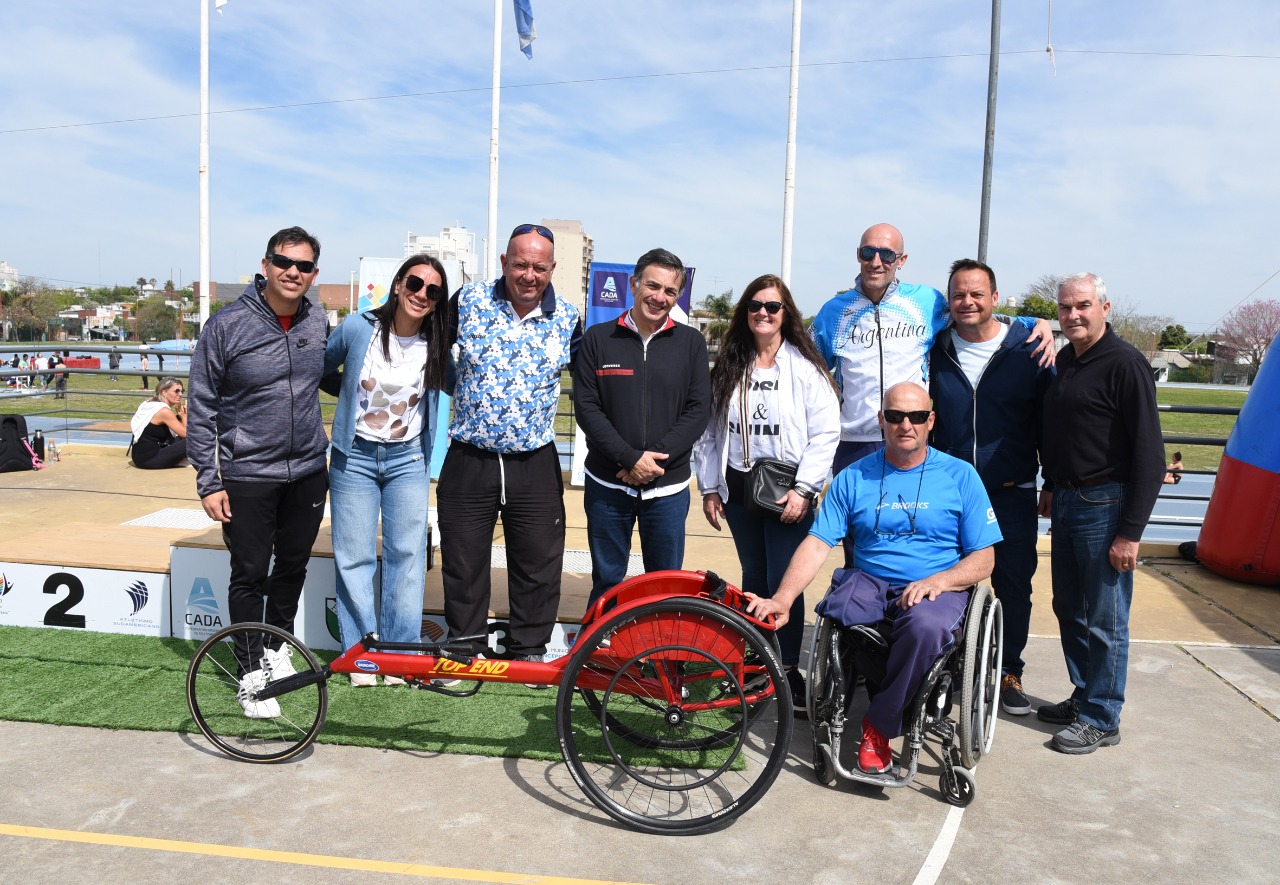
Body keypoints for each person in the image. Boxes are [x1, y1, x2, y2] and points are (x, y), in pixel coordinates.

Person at [747, 382, 1001, 774]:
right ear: (881, 420)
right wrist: (782, 599)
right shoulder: (852, 478)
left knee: (925, 628)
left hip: (936, 587)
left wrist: (944, 581)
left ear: (930, 421)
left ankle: (878, 728)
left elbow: (984, 558)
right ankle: (869, 700)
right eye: (896, 416)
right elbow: (817, 544)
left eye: (916, 416)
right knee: (842, 615)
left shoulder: (960, 476)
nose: (906, 425)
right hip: (869, 582)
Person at [808, 224, 1051, 565]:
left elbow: (977, 312)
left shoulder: (926, 301)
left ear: (901, 260)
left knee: (917, 542)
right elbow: (808, 370)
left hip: (912, 437)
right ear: (858, 255)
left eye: (887, 254)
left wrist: (1035, 321)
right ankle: (861, 612)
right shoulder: (833, 312)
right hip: (855, 443)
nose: (876, 261)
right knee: (860, 549)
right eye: (868, 252)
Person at [187, 226, 330, 719]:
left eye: (304, 266)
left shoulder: (318, 319)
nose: (293, 272)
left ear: (314, 274)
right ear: (266, 264)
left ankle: (275, 650)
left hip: (309, 469)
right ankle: (249, 675)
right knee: (249, 573)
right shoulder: (226, 326)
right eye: (284, 262)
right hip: (247, 474)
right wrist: (210, 480)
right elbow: (201, 407)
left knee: (291, 567)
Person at [437, 223, 582, 672]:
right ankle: (465, 648)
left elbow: (592, 386)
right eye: (520, 264)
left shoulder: (569, 318)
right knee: (463, 557)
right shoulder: (468, 302)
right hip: (469, 456)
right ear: (504, 262)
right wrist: (458, 388)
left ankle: (529, 651)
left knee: (538, 560)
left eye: (539, 267)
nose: (529, 274)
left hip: (534, 460)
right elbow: (429, 352)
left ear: (552, 269)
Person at [694, 274, 839, 716]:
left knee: (784, 583)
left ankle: (789, 668)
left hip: (787, 493)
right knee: (753, 577)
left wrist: (804, 488)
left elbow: (827, 432)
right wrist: (710, 487)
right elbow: (710, 433)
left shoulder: (806, 369)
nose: (763, 312)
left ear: (785, 314)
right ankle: (757, 665)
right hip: (738, 490)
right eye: (755, 305)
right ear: (746, 311)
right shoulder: (730, 366)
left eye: (772, 307)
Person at [1036, 272, 1164, 754]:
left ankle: (1102, 716)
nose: (1073, 315)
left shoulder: (1126, 364)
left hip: (1105, 503)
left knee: (1105, 618)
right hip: (1067, 500)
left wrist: (1130, 533)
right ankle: (1085, 692)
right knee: (1069, 606)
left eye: (1083, 306)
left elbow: (1150, 454)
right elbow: (1064, 431)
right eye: (1066, 307)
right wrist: (1050, 483)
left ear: (1104, 308)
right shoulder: (1067, 360)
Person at [929, 258, 1055, 717]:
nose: (968, 302)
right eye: (959, 294)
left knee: (1014, 584)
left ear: (995, 299)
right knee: (948, 581)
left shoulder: (1030, 349)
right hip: (950, 493)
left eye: (977, 294)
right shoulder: (935, 349)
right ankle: (948, 665)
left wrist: (1052, 481)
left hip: (1011, 489)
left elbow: (1049, 422)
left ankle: (1007, 670)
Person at [324, 254, 449, 687]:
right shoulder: (359, 328)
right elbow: (323, 365)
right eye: (415, 284)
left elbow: (457, 384)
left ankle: (399, 656)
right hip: (353, 458)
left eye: (433, 291)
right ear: (398, 285)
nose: (422, 295)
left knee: (407, 557)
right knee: (354, 556)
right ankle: (361, 655)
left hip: (407, 460)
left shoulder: (436, 345)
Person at [573, 248, 711, 609]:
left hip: (667, 489)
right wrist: (629, 458)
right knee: (606, 580)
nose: (660, 297)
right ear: (633, 284)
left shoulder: (692, 343)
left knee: (665, 585)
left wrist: (653, 463)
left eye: (670, 291)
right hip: (608, 484)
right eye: (652, 286)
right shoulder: (598, 339)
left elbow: (698, 410)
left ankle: (660, 660)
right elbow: (587, 408)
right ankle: (598, 658)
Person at [129, 376, 188, 469]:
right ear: (164, 392)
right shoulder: (164, 411)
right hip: (149, 459)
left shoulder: (150, 404)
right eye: (176, 391)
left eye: (182, 391)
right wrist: (184, 417)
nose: (180, 394)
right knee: (196, 440)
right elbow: (186, 434)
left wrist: (181, 418)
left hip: (139, 456)